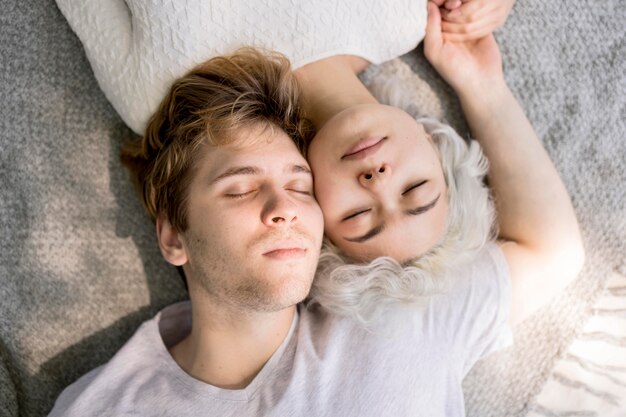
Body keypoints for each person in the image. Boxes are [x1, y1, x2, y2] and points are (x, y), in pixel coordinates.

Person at [49, 3, 584, 415]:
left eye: (301, 187)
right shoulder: (400, 332)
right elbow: (552, 249)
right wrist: (483, 83)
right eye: (240, 188)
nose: (284, 208)